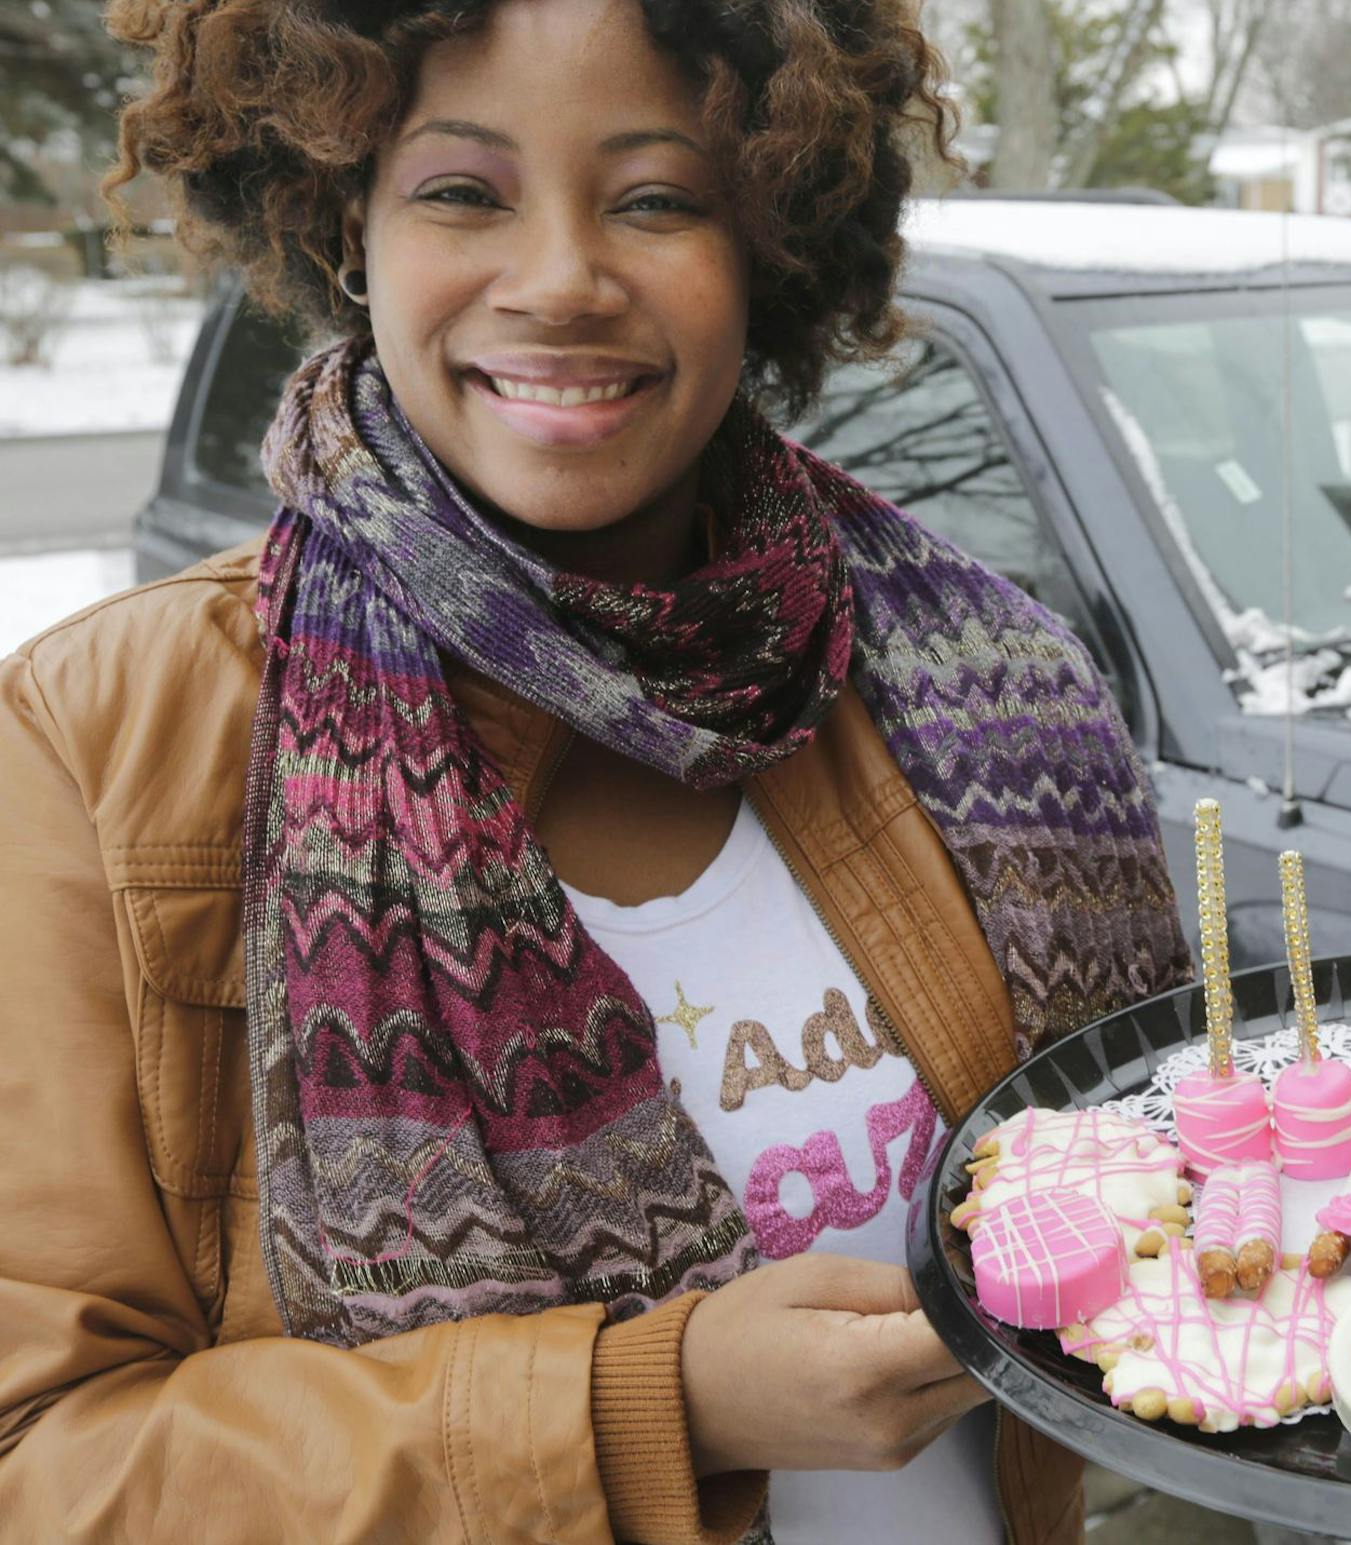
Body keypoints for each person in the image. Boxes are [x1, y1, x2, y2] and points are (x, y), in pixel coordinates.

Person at [0, 3, 1189, 1541]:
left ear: (767, 240)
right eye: (461, 192)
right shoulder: (102, 739)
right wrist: (654, 1405)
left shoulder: (979, 686)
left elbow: (1158, 1234)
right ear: (343, 223)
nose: (561, 279)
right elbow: (42, 1456)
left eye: (655, 198)